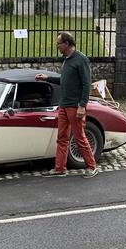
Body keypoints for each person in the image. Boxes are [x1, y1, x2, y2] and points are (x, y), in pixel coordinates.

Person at [37, 31, 98, 178]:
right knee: (62, 137)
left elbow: (86, 84)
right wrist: (47, 78)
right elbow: (64, 81)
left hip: (75, 106)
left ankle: (92, 166)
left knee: (79, 137)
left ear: (67, 44)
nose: (57, 46)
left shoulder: (81, 60)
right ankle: (60, 168)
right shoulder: (66, 60)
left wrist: (82, 106)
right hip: (63, 105)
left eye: (58, 43)